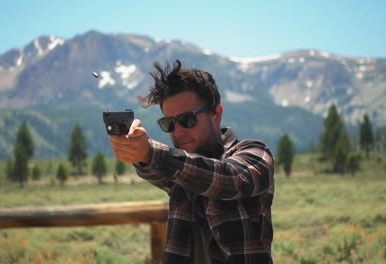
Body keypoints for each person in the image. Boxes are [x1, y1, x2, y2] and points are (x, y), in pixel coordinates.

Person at [109, 60, 275, 263]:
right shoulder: (181, 170)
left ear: (217, 113)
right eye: (169, 123)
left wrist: (150, 153)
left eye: (188, 119)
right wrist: (138, 152)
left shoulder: (255, 153)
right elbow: (156, 168)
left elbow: (231, 179)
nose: (178, 132)